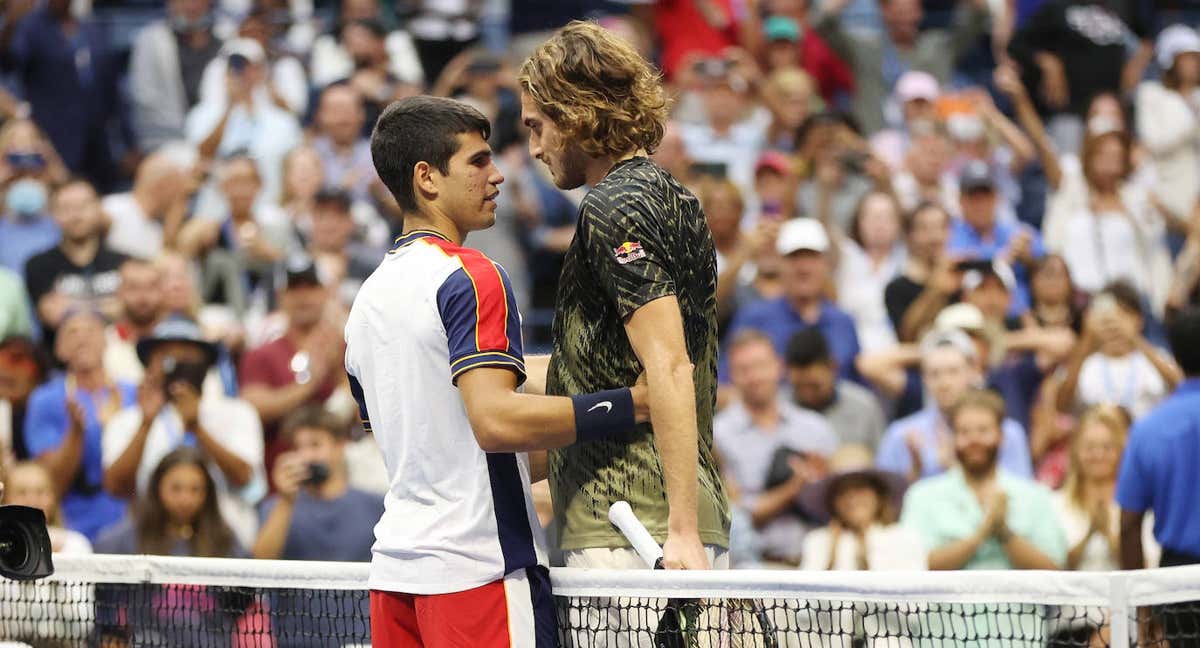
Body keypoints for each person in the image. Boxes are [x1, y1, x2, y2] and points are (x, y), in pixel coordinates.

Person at [348, 96, 652, 645]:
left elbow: (434, 437)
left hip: (396, 578)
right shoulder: (473, 274)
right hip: (479, 570)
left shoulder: (367, 300)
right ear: (427, 178)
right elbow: (495, 424)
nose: (498, 175)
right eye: (478, 161)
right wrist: (634, 405)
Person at [520, 21, 733, 572]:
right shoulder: (677, 197)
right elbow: (606, 369)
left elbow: (670, 366)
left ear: (574, 111)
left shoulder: (612, 206)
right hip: (652, 524)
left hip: (633, 529)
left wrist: (681, 532)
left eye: (538, 126)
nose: (535, 148)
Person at [101, 315, 265, 548]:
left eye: (188, 355)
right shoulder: (128, 420)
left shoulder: (237, 412)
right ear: (150, 364)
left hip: (226, 547)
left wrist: (197, 427)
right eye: (166, 355)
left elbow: (245, 478)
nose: (178, 362)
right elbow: (115, 487)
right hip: (152, 548)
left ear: (206, 363)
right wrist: (145, 425)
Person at [901, 388, 1065, 570]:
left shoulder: (1034, 495)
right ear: (952, 438)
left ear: (1001, 436)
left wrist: (1004, 533)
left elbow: (1054, 569)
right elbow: (917, 567)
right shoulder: (922, 496)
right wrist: (982, 533)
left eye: (983, 430)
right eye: (964, 432)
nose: (974, 439)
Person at [714, 330, 837, 567]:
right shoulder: (718, 435)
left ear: (778, 367)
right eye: (744, 370)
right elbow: (732, 516)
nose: (754, 377)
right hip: (755, 566)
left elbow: (837, 501)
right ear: (731, 376)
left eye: (760, 365)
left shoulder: (815, 428)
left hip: (819, 563)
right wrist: (794, 488)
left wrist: (820, 483)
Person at [1118, 307, 1200, 645]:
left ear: (1176, 357)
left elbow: (1128, 525)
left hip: (1178, 586)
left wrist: (1142, 610)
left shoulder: (1149, 429)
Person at [23, 308, 135, 542]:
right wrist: (76, 432)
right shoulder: (46, 399)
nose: (82, 337)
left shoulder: (134, 393)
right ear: (58, 349)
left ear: (106, 342)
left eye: (91, 330)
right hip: (72, 524)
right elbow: (53, 482)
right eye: (72, 332)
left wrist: (120, 425)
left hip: (131, 521)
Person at [812, 0, 990, 134]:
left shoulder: (937, 47)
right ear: (883, 11)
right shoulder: (864, 49)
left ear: (920, 12)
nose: (904, 18)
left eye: (910, 11)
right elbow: (821, 23)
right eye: (898, 12)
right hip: (876, 142)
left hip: (932, 146)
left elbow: (979, 15)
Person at [876, 330, 1033, 481]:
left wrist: (957, 467)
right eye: (935, 374)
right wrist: (915, 471)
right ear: (924, 378)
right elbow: (885, 501)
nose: (944, 383)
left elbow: (1021, 495)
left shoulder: (1006, 433)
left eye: (953, 371)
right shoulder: (901, 434)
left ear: (974, 371)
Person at [240, 261, 346, 475]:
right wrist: (307, 386)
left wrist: (338, 372)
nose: (303, 297)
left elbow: (366, 408)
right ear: (281, 296)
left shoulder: (347, 348)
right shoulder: (263, 355)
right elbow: (251, 408)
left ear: (326, 293)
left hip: (341, 480)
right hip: (282, 478)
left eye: (311, 288)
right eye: (295, 289)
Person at [727, 218, 861, 383]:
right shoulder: (754, 318)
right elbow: (725, 385)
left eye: (811, 257)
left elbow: (857, 388)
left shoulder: (843, 322)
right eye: (794, 258)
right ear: (780, 264)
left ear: (825, 264)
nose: (803, 267)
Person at [253, 407, 381, 561]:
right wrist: (286, 501)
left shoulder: (374, 505)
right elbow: (260, 562)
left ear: (340, 446)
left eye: (315, 445)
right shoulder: (276, 507)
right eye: (297, 448)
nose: (305, 456)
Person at [1054, 405, 1158, 571]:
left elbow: (1151, 569)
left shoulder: (1139, 507)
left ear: (1121, 452)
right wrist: (1088, 536)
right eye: (1089, 447)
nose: (1098, 455)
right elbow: (1048, 570)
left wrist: (1111, 538)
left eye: (1107, 447)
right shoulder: (1055, 503)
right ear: (1075, 451)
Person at [1056, 282, 1181, 419]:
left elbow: (1183, 386)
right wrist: (1087, 339)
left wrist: (1135, 340)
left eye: (1123, 314)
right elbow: (1061, 405)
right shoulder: (1084, 363)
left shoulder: (1158, 356)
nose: (1114, 324)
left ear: (1139, 319)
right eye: (1108, 315)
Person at [23, 180, 127, 336]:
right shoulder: (38, 265)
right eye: (66, 208)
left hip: (118, 355)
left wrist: (70, 307)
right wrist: (107, 307)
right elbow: (53, 315)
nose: (75, 215)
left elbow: (129, 312)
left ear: (99, 208)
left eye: (83, 206)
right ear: (53, 214)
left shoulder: (125, 263)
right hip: (60, 357)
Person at [800, 444, 922, 570]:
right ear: (832, 501)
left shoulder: (904, 539)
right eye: (843, 490)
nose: (853, 498)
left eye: (860, 488)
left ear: (878, 494)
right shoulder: (817, 542)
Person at [947, 160, 1044, 316]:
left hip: (1021, 317)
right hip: (973, 320)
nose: (980, 204)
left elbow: (1046, 258)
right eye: (973, 197)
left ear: (996, 198)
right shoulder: (951, 233)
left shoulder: (1014, 230)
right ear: (961, 201)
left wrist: (1030, 259)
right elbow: (957, 264)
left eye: (986, 196)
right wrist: (1000, 261)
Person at [128, 0, 222, 151]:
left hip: (221, 142)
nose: (191, 6)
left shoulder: (227, 39)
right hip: (166, 143)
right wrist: (193, 140)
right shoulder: (150, 40)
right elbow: (147, 105)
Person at [1137, 25, 1200, 229]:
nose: (1195, 64)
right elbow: (1155, 141)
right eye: (1188, 58)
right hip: (1168, 199)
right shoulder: (1151, 94)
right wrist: (1194, 123)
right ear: (1171, 61)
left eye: (1197, 58)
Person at [786, 328, 885, 451]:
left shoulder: (863, 407)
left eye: (813, 386)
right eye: (800, 387)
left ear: (832, 367)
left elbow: (881, 462)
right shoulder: (780, 410)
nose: (807, 394)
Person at [835, 190, 906, 352]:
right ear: (859, 222)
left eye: (886, 217)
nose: (879, 224)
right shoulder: (846, 256)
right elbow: (824, 228)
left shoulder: (907, 260)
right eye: (872, 217)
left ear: (898, 224)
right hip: (850, 347)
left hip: (894, 350)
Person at [102, 152, 193, 261]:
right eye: (178, 188)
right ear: (164, 185)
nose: (180, 199)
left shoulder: (157, 229)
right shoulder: (112, 208)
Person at [885, 201, 953, 343]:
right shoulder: (896, 289)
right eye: (925, 229)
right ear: (910, 236)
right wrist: (936, 290)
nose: (935, 236)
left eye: (941, 227)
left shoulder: (964, 279)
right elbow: (907, 336)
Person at [312, 84, 380, 205]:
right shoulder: (310, 155)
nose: (342, 119)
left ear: (361, 114)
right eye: (335, 111)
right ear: (320, 116)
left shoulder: (380, 153)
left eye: (348, 110)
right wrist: (339, 190)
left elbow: (405, 211)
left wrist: (380, 194)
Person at [103, 259, 165, 384]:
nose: (143, 297)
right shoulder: (103, 344)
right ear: (119, 292)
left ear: (162, 291)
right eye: (133, 288)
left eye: (151, 287)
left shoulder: (178, 342)